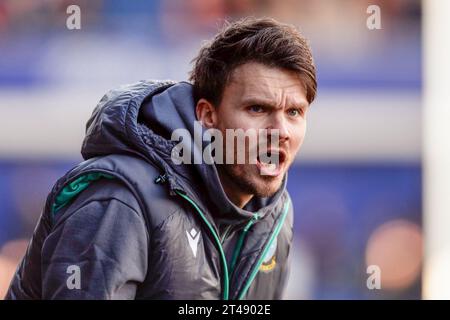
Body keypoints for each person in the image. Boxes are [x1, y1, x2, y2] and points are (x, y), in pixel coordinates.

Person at [6, 17, 317, 300]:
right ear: (208, 115)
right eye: (257, 109)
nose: (280, 131)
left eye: (294, 112)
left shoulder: (274, 216)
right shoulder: (120, 200)